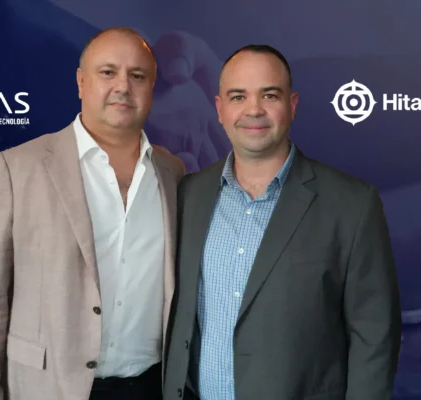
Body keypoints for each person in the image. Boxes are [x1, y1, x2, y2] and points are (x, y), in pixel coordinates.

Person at [163, 44, 402, 400]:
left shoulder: (352, 204)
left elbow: (374, 335)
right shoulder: (188, 194)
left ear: (292, 105)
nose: (253, 110)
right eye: (238, 96)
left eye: (269, 95)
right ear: (220, 109)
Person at [0, 27, 186, 400]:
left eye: (137, 75)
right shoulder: (19, 167)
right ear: (81, 82)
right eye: (108, 72)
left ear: (151, 87)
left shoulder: (172, 171)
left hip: (149, 387)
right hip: (48, 388)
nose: (123, 86)